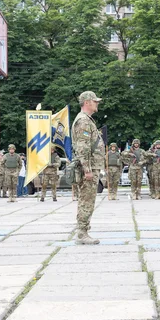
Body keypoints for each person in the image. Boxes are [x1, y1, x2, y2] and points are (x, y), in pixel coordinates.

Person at [72, 91, 105, 245]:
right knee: (86, 200)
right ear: (87, 102)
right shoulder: (83, 121)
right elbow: (82, 147)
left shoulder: (87, 120)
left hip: (91, 166)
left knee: (87, 200)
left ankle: (83, 230)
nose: (97, 103)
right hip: (88, 168)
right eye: (95, 101)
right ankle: (82, 233)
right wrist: (87, 169)